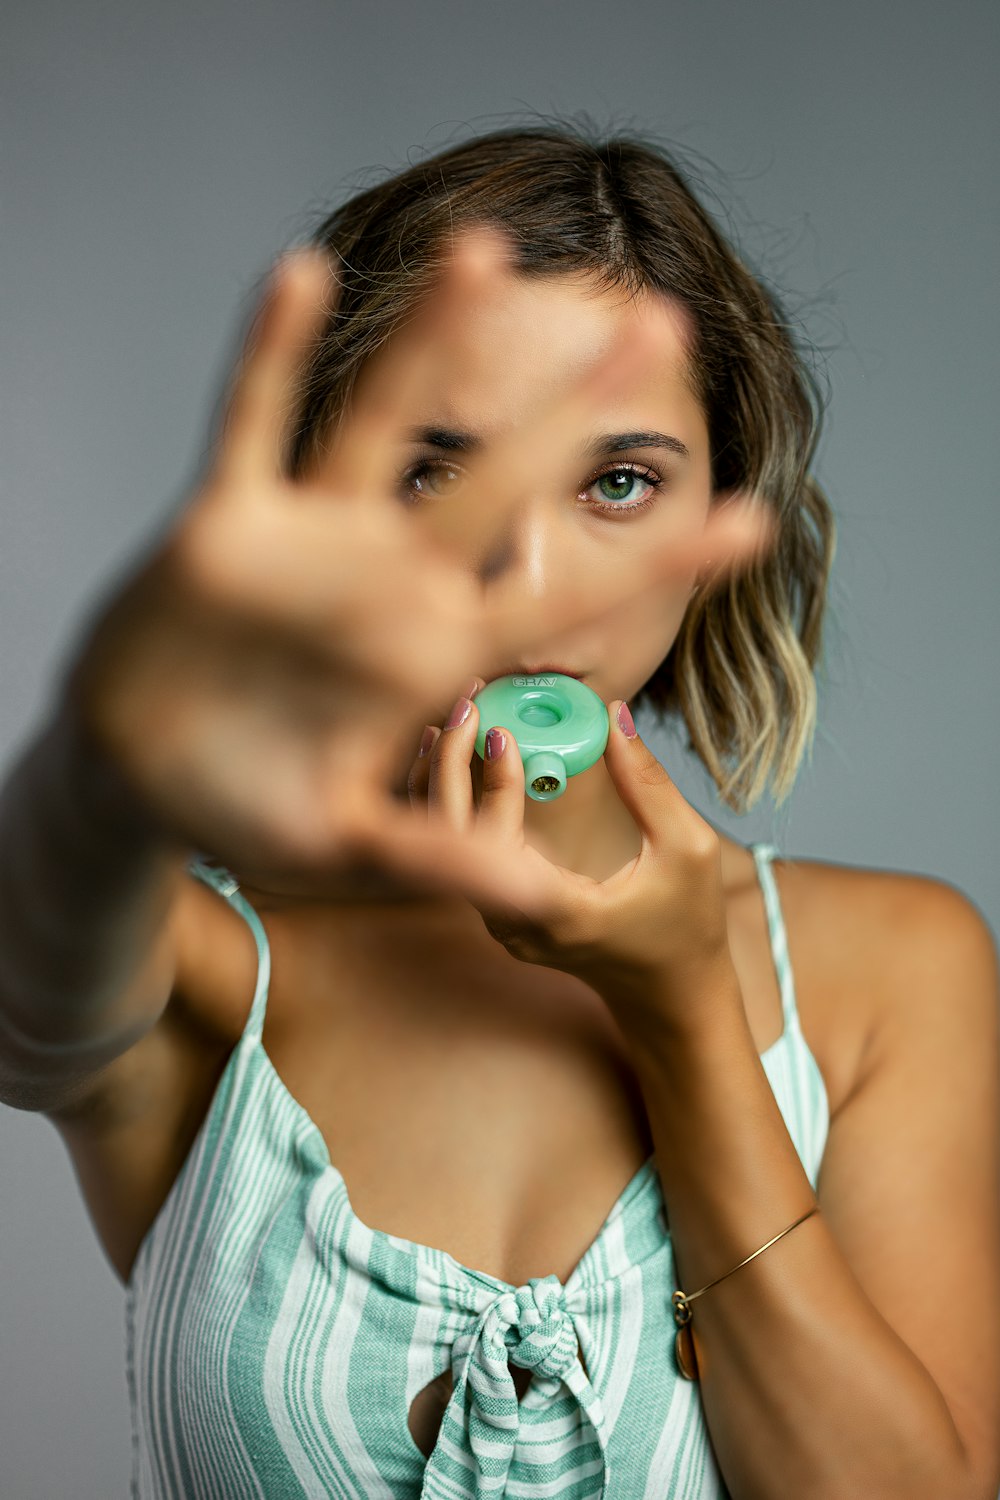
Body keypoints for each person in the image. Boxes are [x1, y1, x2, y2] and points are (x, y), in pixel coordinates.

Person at [0, 124, 997, 1500]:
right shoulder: (203, 966)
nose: (528, 575)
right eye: (439, 468)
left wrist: (685, 1015)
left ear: (722, 510)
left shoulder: (898, 971)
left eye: (619, 482)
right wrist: (102, 763)